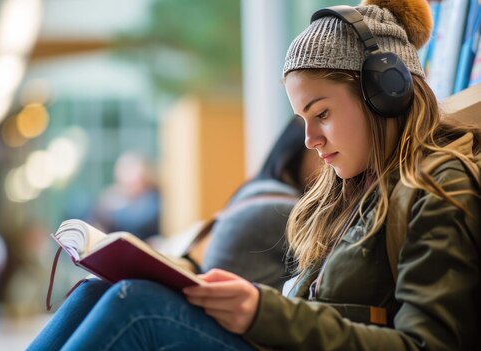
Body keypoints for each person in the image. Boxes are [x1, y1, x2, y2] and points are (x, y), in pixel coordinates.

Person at [28, 0, 481, 350]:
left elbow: (427, 344)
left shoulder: (439, 186)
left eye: (321, 113)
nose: (309, 140)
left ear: (386, 92)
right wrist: (251, 303)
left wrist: (264, 312)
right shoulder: (352, 192)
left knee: (140, 307)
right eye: (303, 119)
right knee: (97, 292)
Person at [182, 117, 320, 289]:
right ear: (294, 153)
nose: (326, 159)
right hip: (226, 313)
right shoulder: (284, 209)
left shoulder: (256, 191)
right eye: (317, 151)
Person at [90, 151, 161, 241]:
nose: (128, 180)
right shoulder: (116, 197)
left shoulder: (152, 198)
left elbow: (138, 222)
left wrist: (111, 210)